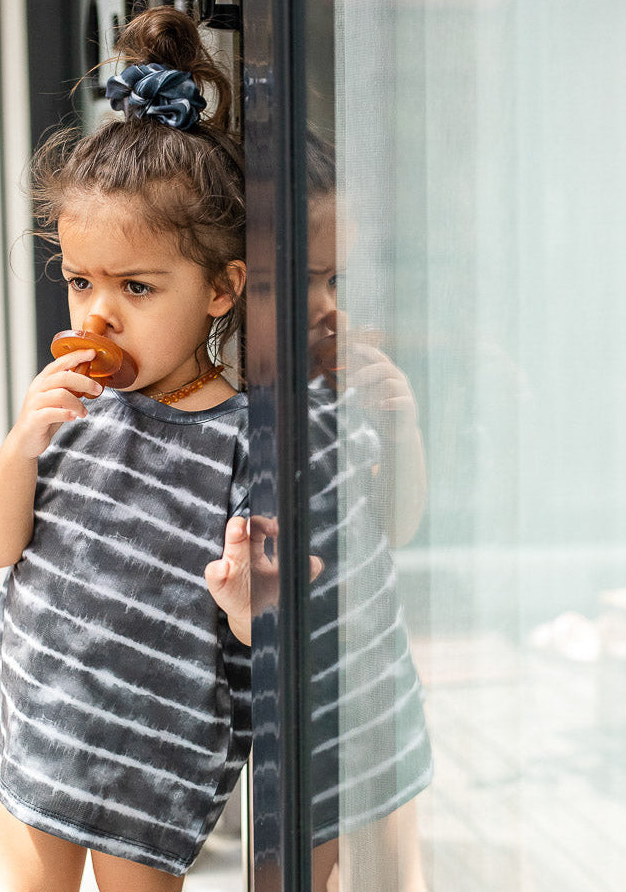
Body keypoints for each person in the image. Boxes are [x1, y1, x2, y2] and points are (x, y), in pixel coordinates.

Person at [0, 7, 249, 892]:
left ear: (221, 289)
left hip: (152, 752)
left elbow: (256, 631)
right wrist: (22, 443)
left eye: (137, 287)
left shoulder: (243, 438)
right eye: (81, 281)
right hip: (40, 720)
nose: (98, 315)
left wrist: (248, 600)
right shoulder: (70, 409)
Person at [207, 130, 432, 892]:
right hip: (293, 725)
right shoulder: (224, 426)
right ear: (225, 287)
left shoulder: (331, 395)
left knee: (394, 877)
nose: (329, 307)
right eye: (301, 281)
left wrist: (398, 429)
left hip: (377, 698)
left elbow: (395, 525)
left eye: (336, 279)